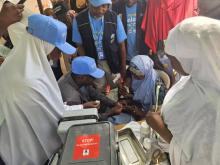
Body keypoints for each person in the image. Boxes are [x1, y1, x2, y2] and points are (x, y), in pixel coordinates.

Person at [0, 14, 76, 165]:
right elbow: (50, 123)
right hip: (22, 154)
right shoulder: (29, 80)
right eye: (56, 47)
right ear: (44, 43)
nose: (59, 53)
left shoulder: (18, 61)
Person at [146, 16, 220, 165]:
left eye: (173, 58)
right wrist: (165, 110)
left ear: (194, 58)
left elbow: (199, 159)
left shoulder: (214, 109)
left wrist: (160, 128)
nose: (171, 65)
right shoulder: (197, 76)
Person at [72, 0, 127, 90]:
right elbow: (80, 46)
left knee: (116, 86)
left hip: (112, 61)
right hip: (93, 63)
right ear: (90, 4)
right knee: (98, 88)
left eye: (106, 6)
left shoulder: (114, 18)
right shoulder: (79, 20)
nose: (104, 9)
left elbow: (122, 45)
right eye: (100, 6)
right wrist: (87, 68)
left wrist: (123, 66)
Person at [58, 56, 123, 120]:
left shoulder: (76, 74)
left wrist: (113, 103)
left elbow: (94, 92)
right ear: (82, 77)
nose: (95, 79)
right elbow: (82, 119)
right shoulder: (71, 97)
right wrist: (110, 113)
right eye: (93, 77)